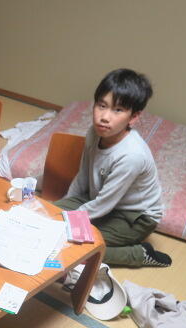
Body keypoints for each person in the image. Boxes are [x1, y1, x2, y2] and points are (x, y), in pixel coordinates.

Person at [55, 68, 172, 267]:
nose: (104, 117)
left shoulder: (132, 155)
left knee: (75, 245)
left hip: (134, 217)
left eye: (117, 110)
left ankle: (138, 253)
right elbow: (83, 175)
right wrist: (66, 205)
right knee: (46, 219)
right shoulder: (94, 133)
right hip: (99, 198)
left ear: (133, 117)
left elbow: (105, 203)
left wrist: (69, 223)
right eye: (101, 106)